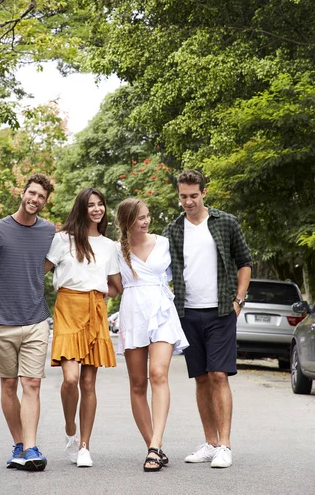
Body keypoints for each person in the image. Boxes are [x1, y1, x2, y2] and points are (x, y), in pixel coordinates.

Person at [163, 169, 252, 469]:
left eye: (193, 196)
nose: (188, 202)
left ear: (204, 192)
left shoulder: (226, 222)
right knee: (201, 377)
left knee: (218, 375)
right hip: (187, 312)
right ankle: (210, 442)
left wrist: (239, 301)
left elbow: (245, 262)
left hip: (221, 311)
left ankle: (225, 445)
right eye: (183, 197)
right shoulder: (173, 230)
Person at [0, 173, 55, 472]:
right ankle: (19, 444)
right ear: (23, 193)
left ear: (45, 203)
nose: (35, 200)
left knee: (31, 383)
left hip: (36, 319)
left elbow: (51, 262)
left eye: (41, 197)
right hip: (2, 322)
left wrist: (34, 277)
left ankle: (31, 447)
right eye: (32, 193)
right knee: (9, 385)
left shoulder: (49, 231)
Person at [45, 187, 122, 468]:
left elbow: (116, 287)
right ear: (81, 208)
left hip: (95, 311)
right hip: (66, 307)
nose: (96, 209)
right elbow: (37, 272)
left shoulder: (109, 246)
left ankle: (85, 446)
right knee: (71, 379)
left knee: (89, 382)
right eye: (91, 205)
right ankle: (70, 431)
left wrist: (101, 297)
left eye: (100, 204)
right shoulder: (62, 240)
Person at [115, 197, 189, 472]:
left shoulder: (164, 243)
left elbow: (182, 273)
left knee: (158, 373)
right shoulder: (116, 251)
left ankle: (156, 444)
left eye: (147, 216)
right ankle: (152, 446)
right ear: (127, 221)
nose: (146, 221)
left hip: (161, 312)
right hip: (133, 312)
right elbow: (112, 285)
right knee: (137, 384)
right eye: (140, 217)